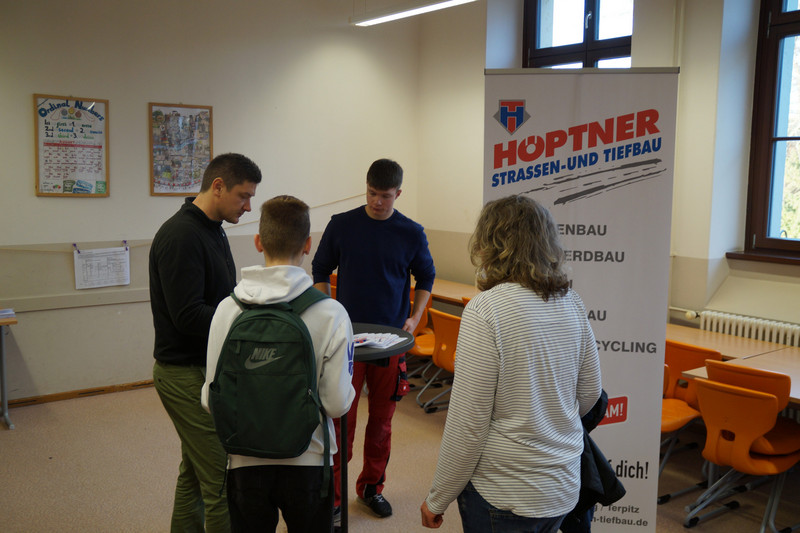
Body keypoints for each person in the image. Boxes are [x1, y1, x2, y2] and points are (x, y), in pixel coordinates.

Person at [420, 195, 602, 532]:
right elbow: (590, 394)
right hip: (562, 487)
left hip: (504, 492)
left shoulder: (486, 310)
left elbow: (468, 426)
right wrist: (547, 422)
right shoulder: (572, 303)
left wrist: (438, 497)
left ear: (490, 244)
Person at [201, 195, 356, 532]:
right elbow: (336, 404)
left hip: (243, 461)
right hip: (309, 460)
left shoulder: (228, 309)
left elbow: (211, 398)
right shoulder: (331, 313)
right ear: (308, 244)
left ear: (258, 242)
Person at [312, 158, 436, 525]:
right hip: (347, 342)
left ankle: (371, 488)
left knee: (382, 423)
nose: (377, 202)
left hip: (390, 343)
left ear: (399, 193)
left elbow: (426, 277)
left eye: (385, 195)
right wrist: (329, 310)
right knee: (340, 422)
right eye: (371, 193)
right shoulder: (342, 225)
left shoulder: (411, 232)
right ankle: (334, 497)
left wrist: (415, 317)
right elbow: (320, 269)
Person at [149, 152, 262, 532]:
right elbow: (188, 315)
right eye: (243, 196)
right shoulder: (181, 235)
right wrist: (247, 322)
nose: (248, 207)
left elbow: (219, 297)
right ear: (218, 187)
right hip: (183, 374)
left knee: (195, 473)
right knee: (221, 480)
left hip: (205, 368)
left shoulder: (212, 229)